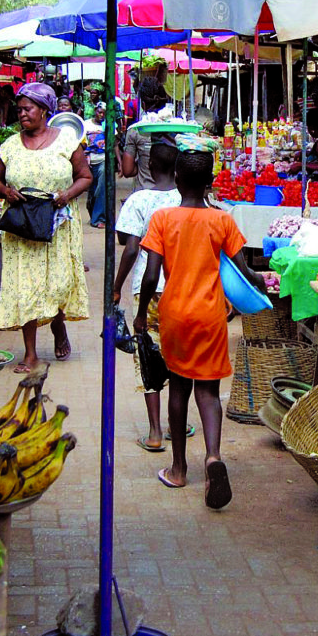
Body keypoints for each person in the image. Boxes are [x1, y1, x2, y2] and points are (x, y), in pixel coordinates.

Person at [135, 134, 267, 507]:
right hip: (211, 316)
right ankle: (213, 457)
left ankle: (178, 470)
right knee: (207, 392)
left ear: (175, 178)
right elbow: (244, 272)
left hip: (175, 314)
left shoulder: (163, 219)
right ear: (210, 183)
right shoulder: (222, 221)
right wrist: (264, 285)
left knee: (178, 390)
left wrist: (142, 315)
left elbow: (150, 276)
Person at [0, 82, 92, 371]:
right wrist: (6, 192)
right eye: (19, 109)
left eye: (27, 109)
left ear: (44, 110)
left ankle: (58, 325)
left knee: (56, 284)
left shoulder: (67, 140)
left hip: (57, 225)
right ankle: (30, 353)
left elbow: (85, 176)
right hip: (22, 227)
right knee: (26, 287)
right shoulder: (10, 145)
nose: (21, 114)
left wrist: (66, 195)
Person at [113, 141, 182, 452]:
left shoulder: (140, 200)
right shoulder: (189, 199)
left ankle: (155, 432)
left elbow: (129, 248)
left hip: (148, 290)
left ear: (149, 167)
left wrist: (116, 287)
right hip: (182, 290)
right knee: (179, 358)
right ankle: (176, 423)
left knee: (148, 357)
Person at [120, 79, 171, 191]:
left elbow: (127, 171)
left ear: (143, 104)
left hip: (143, 194)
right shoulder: (177, 128)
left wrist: (142, 163)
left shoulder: (135, 131)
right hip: (172, 197)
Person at [84, 101, 110, 228]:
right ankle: (94, 214)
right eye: (100, 112)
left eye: (104, 113)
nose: (101, 115)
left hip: (103, 160)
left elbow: (114, 144)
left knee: (101, 187)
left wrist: (119, 163)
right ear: (95, 111)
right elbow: (81, 143)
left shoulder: (109, 124)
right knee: (93, 190)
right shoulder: (86, 124)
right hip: (89, 161)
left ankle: (99, 218)